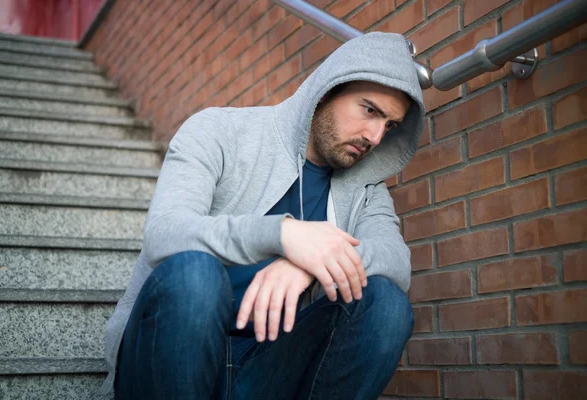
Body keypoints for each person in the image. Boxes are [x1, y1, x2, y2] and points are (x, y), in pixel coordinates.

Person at [100, 31, 425, 399]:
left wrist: (310, 261)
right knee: (195, 273)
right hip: (167, 355)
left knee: (386, 303)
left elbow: (397, 261)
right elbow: (165, 231)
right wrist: (284, 235)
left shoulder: (366, 188)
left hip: (265, 367)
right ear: (328, 88)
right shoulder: (220, 130)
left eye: (390, 125)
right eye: (369, 110)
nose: (375, 136)